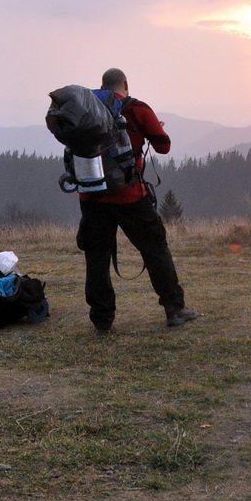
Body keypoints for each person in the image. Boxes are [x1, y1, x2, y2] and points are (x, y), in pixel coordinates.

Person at [76, 67, 197, 335]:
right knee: (155, 248)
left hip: (92, 195)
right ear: (126, 84)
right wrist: (153, 131)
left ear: (103, 86)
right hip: (129, 195)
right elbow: (163, 146)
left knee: (97, 258)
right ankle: (174, 309)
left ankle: (101, 320)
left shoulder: (85, 110)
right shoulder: (137, 109)